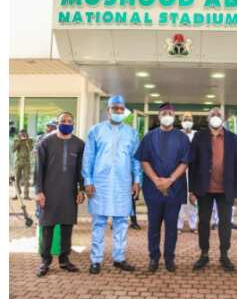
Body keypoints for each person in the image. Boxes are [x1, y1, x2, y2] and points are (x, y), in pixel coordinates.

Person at [82, 95, 141, 274]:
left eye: (121, 109)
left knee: (122, 222)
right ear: (108, 110)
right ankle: (96, 260)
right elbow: (89, 157)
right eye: (115, 108)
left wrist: (137, 180)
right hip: (100, 183)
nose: (118, 111)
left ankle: (119, 258)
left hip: (123, 183)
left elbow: (136, 159)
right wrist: (88, 180)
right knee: (99, 222)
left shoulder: (132, 133)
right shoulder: (96, 131)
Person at [135, 103, 190, 273]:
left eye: (170, 113)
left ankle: (169, 258)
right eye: (164, 113)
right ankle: (153, 257)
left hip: (175, 189)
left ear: (174, 116)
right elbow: (144, 160)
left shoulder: (182, 137)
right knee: (153, 226)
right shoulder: (149, 137)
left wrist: (170, 180)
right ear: (159, 116)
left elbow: (185, 162)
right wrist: (156, 180)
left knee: (172, 226)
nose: (167, 115)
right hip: (153, 189)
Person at [189, 108, 237, 272]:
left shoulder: (233, 139)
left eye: (218, 115)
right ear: (208, 119)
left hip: (225, 188)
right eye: (213, 115)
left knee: (225, 223)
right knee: (203, 222)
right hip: (204, 188)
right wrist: (191, 189)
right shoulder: (199, 137)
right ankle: (204, 254)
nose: (216, 117)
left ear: (223, 118)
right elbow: (192, 164)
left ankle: (224, 254)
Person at [35, 112, 85, 277]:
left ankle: (64, 259)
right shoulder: (46, 142)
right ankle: (45, 261)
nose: (66, 123)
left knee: (66, 226)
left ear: (73, 123)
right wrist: (39, 191)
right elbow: (39, 169)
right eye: (63, 121)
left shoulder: (79, 144)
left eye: (69, 121)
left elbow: (80, 170)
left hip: (69, 192)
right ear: (57, 123)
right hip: (48, 191)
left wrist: (81, 189)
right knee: (47, 227)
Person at [177, 112, 197, 234]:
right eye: (185, 119)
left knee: (193, 198)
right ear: (181, 121)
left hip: (193, 170)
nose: (187, 121)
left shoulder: (196, 135)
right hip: (179, 170)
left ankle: (192, 224)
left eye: (189, 119)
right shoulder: (176, 134)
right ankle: (178, 225)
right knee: (179, 200)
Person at [12, 129, 33, 200]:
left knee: (26, 179)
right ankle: (18, 194)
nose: (23, 135)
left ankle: (26, 195)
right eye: (21, 134)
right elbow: (13, 149)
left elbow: (30, 149)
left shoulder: (29, 140)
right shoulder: (16, 140)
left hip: (26, 162)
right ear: (19, 134)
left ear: (26, 134)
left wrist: (26, 140)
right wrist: (19, 140)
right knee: (17, 178)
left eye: (24, 134)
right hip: (18, 161)